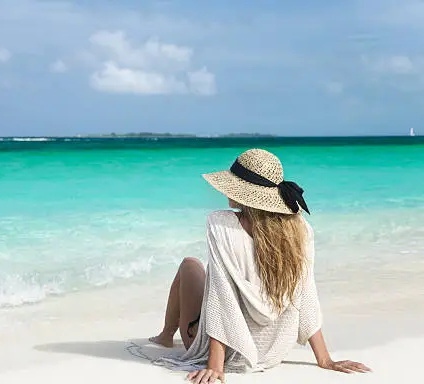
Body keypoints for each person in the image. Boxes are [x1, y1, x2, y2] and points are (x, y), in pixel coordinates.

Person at [149, 149, 370, 384]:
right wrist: (325, 359)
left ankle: (165, 336)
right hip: (272, 352)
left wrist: (215, 365)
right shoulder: (300, 230)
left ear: (243, 192)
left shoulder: (222, 225)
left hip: (231, 354)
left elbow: (222, 298)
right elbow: (306, 295)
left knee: (189, 265)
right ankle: (165, 335)